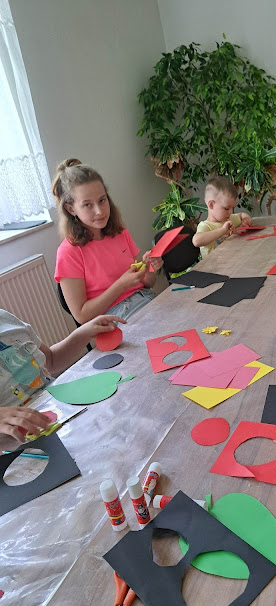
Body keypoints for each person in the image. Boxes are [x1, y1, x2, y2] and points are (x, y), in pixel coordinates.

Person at [53, 159, 164, 324]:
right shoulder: (68, 252)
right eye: (87, 205)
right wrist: (121, 285)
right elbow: (81, 316)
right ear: (71, 209)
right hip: (113, 320)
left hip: (146, 300)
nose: (99, 211)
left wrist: (150, 269)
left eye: (102, 200)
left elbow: (148, 283)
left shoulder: (120, 232)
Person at [0, 310, 125, 442]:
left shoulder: (6, 319)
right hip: (21, 441)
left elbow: (51, 360)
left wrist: (83, 333)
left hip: (62, 412)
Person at [192, 176, 253, 258]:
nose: (231, 212)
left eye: (233, 208)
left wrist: (246, 219)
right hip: (213, 265)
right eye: (226, 208)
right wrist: (223, 230)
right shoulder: (205, 226)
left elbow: (242, 215)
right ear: (211, 205)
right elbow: (196, 241)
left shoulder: (230, 219)